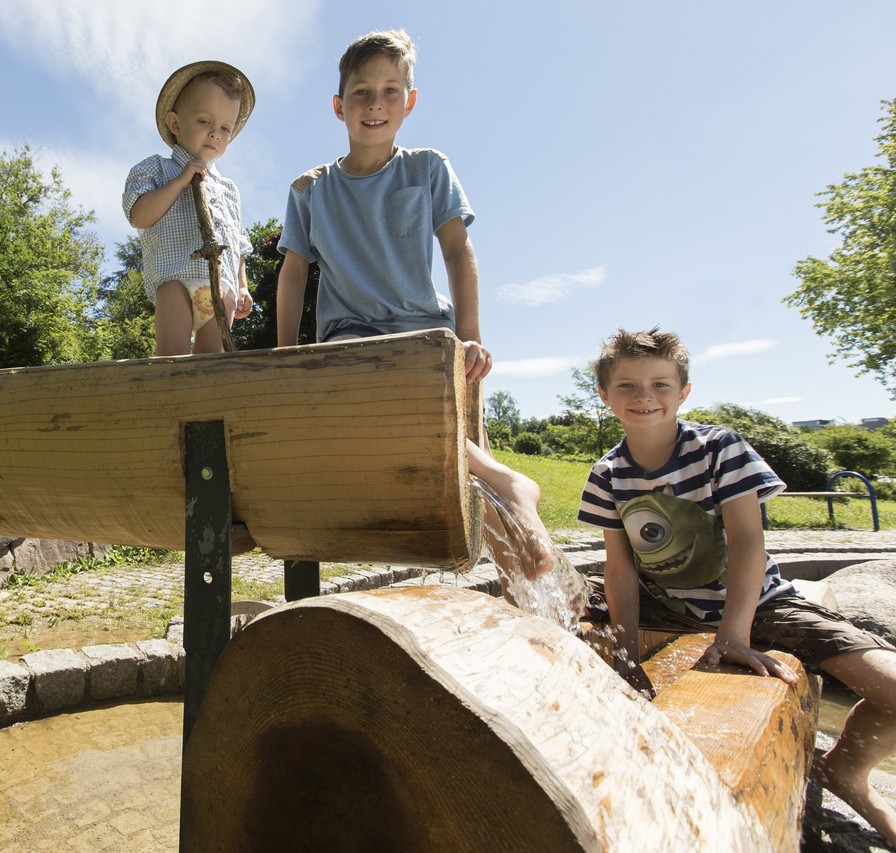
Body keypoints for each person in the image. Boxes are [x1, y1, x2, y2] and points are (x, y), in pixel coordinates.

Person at [578, 327, 896, 845]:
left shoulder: (719, 448)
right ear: (604, 395)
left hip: (762, 605)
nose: (644, 396)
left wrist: (733, 635)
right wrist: (626, 655)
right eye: (627, 385)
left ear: (684, 391)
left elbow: (749, 542)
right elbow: (620, 569)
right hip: (670, 606)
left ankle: (846, 772)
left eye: (660, 384)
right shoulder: (607, 474)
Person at [275, 29, 553, 574]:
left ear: (410, 102)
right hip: (352, 338)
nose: (375, 104)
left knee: (474, 477)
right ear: (338, 106)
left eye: (390, 91)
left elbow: (457, 249)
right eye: (361, 92)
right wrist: (286, 355)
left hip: (426, 334)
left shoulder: (426, 168)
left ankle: (533, 582)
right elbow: (293, 273)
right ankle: (507, 480)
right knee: (406, 415)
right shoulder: (310, 189)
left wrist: (471, 336)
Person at [124, 61, 256, 356]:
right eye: (204, 121)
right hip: (176, 278)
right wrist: (180, 182)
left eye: (225, 128)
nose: (215, 134)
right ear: (175, 124)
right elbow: (139, 216)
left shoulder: (229, 189)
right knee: (172, 359)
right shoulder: (157, 168)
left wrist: (242, 285)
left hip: (222, 287)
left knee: (212, 365)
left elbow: (238, 244)